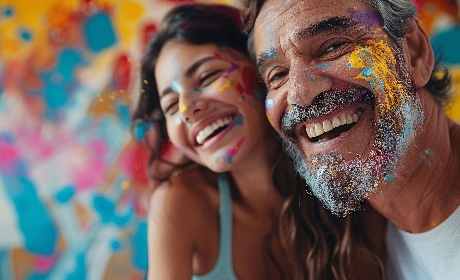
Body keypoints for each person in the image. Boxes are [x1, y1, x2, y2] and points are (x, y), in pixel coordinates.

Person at [132, 3, 385, 280]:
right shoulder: (179, 204)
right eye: (171, 106)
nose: (187, 110)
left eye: (207, 77)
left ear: (262, 70)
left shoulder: (344, 169)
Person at [244, 0, 460, 278]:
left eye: (332, 47)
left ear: (414, 51)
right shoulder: (350, 251)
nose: (299, 93)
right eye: (278, 75)